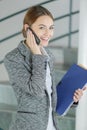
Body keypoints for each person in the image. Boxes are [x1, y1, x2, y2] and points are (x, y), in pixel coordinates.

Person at [4, 5, 86, 130]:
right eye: (42, 28)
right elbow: (36, 90)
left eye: (51, 28)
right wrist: (37, 55)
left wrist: (72, 99)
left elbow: (50, 99)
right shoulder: (14, 58)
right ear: (27, 29)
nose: (48, 33)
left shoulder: (49, 56)